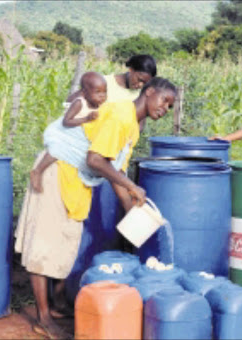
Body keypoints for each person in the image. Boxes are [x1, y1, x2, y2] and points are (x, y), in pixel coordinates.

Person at [15, 77, 177, 339]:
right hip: (58, 172)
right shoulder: (121, 116)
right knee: (43, 246)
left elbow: (116, 170)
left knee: (63, 242)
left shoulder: (132, 126)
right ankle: (42, 319)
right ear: (148, 92)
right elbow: (95, 160)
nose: (165, 109)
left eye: (170, 106)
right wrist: (132, 187)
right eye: (164, 101)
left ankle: (55, 307)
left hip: (75, 180)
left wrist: (133, 211)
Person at [30, 72, 106, 193]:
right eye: (98, 92)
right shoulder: (79, 103)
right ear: (85, 93)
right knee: (56, 149)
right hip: (62, 132)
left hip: (78, 136)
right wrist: (86, 119)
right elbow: (66, 121)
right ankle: (37, 171)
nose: (102, 96)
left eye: (104, 92)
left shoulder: (100, 106)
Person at [104, 54, 157, 131]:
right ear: (131, 69)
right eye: (139, 79)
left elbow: (140, 123)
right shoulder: (104, 83)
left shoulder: (142, 94)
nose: (140, 85)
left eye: (145, 83)